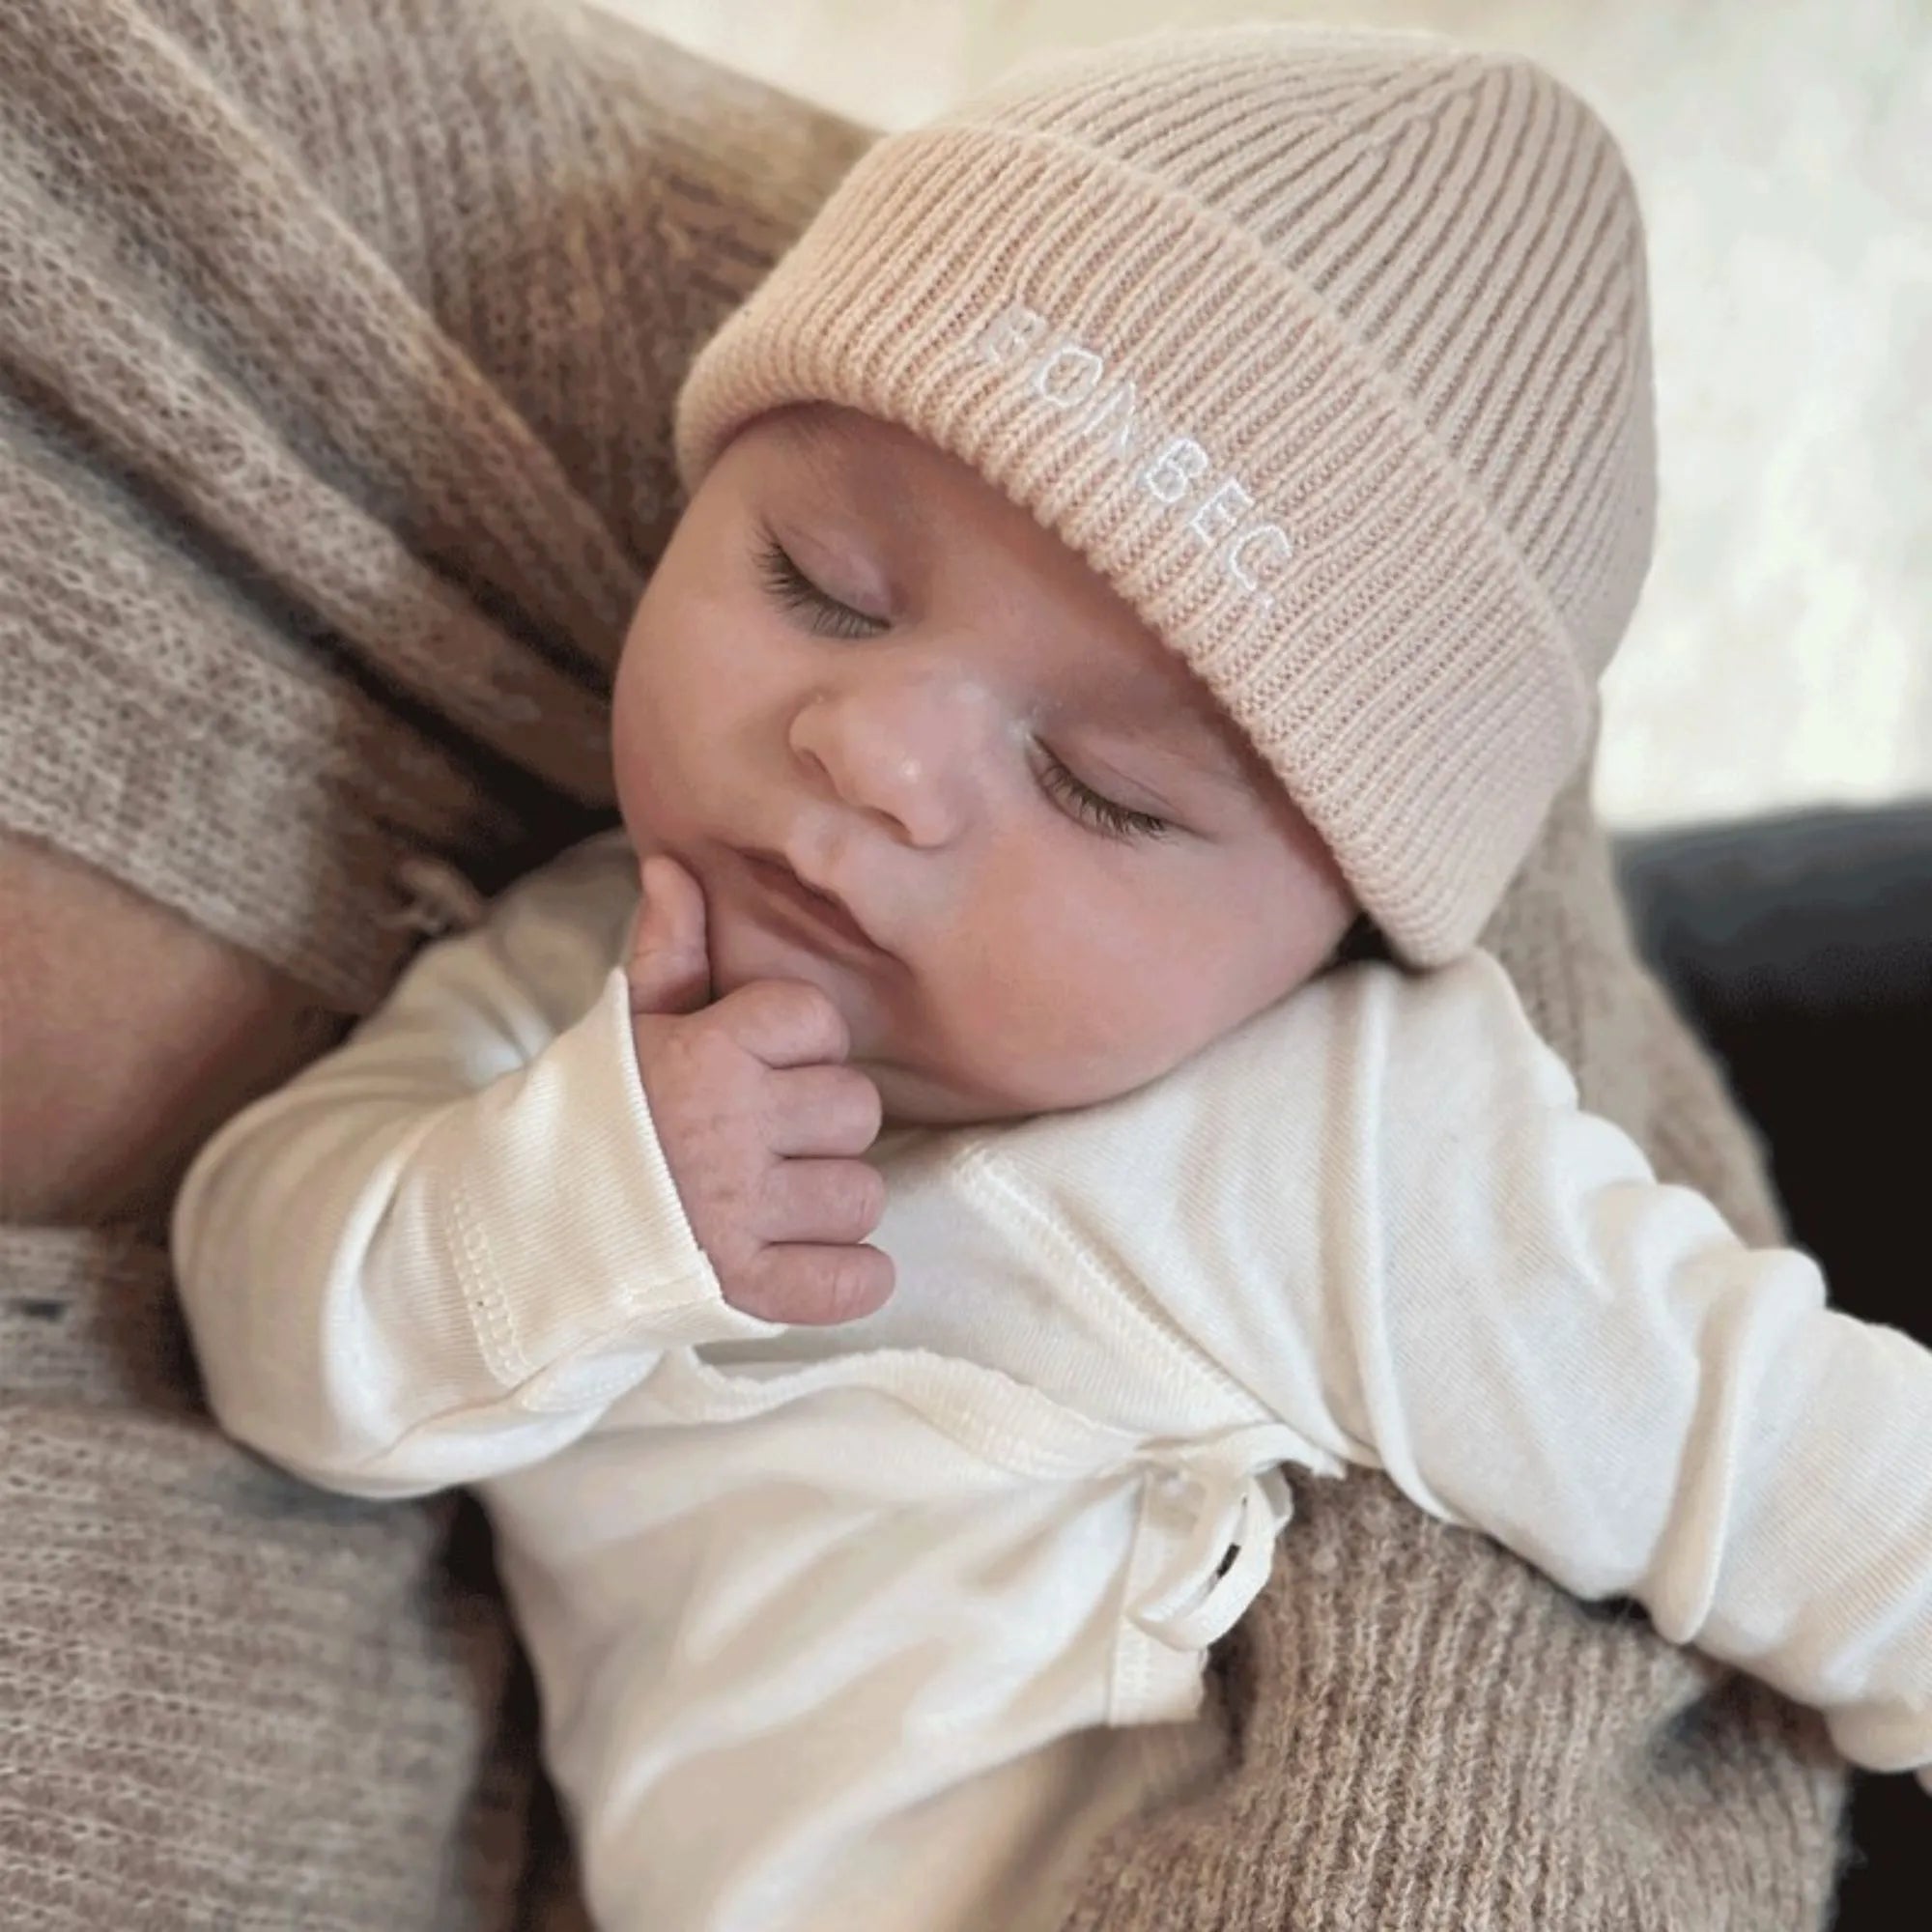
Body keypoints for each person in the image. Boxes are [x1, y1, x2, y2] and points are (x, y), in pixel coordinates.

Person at [163, 24, 1925, 1932]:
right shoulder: (572, 993)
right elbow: (275, 1346)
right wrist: (579, 1189)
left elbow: (1816, 1485)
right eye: (820, 579)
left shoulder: (1329, 1147)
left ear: (1326, 924)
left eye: (1099, 785)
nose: (877, 753)